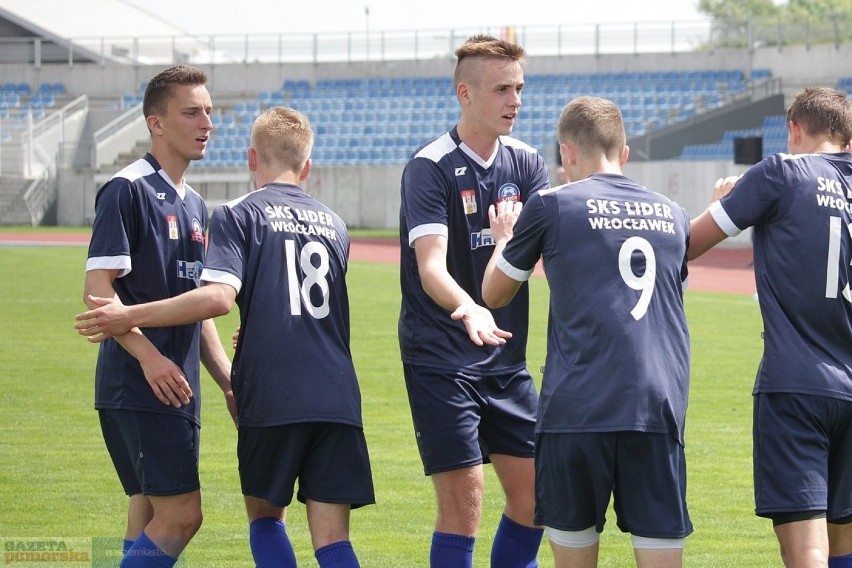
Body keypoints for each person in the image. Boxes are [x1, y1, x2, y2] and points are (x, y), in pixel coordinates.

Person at [76, 106, 375, 568]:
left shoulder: (237, 212)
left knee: (264, 518)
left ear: (251, 158)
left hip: (274, 392)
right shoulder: (336, 224)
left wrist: (127, 315)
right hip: (338, 395)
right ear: (308, 166)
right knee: (333, 539)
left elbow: (217, 297)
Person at [481, 96, 692, 568]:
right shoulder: (673, 213)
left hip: (577, 410)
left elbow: (494, 295)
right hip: (655, 408)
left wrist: (502, 241)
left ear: (566, 152)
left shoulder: (552, 205)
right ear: (625, 152)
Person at [398, 34, 549, 567]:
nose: (516, 100)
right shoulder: (430, 166)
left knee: (536, 500)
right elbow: (430, 267)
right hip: (442, 356)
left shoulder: (527, 164)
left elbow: (545, 258)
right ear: (465, 93)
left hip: (506, 359)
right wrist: (469, 307)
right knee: (465, 504)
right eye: (503, 89)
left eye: (520, 88)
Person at [688, 86, 852, 568]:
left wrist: (719, 202)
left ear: (794, 129)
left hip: (797, 384)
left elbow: (690, 244)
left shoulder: (781, 171)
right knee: (844, 543)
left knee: (807, 552)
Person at [79, 64, 235, 567]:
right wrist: (150, 358)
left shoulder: (195, 205)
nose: (206, 122)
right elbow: (98, 292)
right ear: (156, 123)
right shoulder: (127, 189)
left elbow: (200, 308)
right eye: (192, 112)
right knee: (183, 515)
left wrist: (228, 383)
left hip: (178, 385)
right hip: (140, 385)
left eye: (209, 111)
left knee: (147, 514)